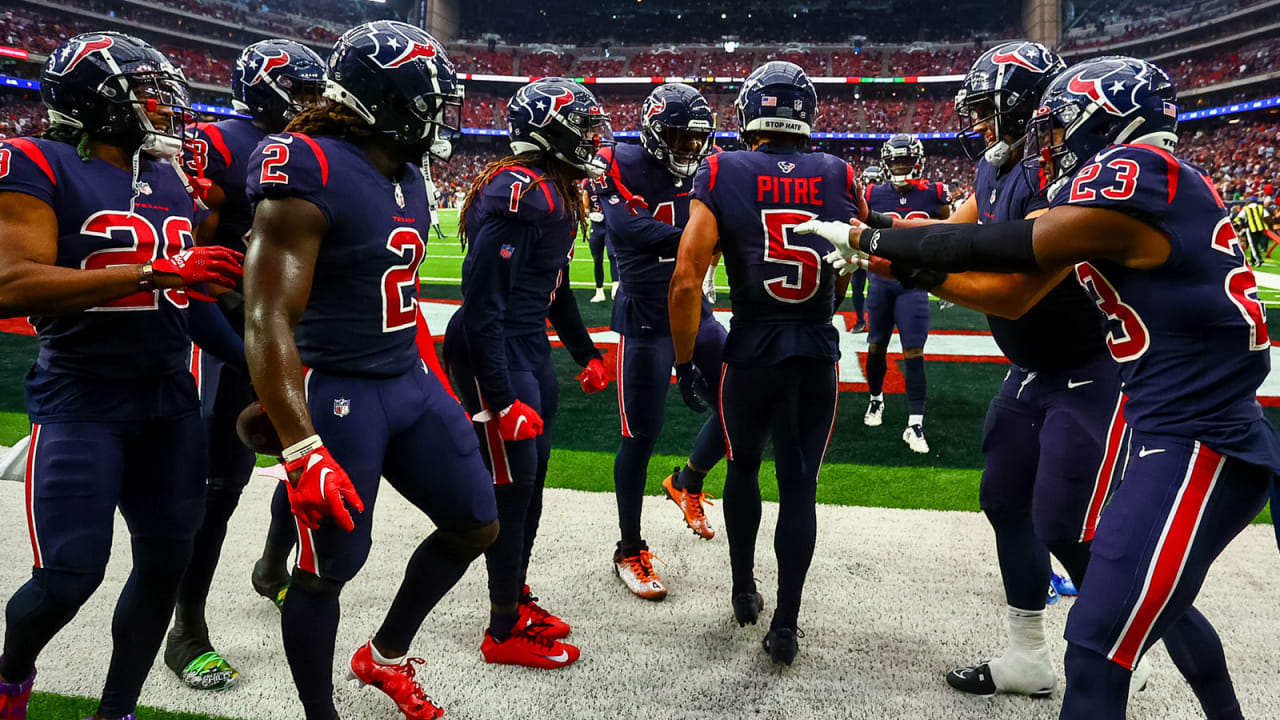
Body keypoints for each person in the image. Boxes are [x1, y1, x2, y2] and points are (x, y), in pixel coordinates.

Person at [803, 55, 1278, 720]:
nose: (1045, 147)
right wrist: (894, 239)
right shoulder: (1124, 178)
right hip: (1159, 410)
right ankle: (1065, 644)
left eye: (1058, 131)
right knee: (1045, 534)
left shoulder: (1135, 172)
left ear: (1103, 122)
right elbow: (963, 230)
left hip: (1173, 418)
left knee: (1098, 617)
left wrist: (879, 245)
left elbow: (1013, 258)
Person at [241, 21, 498, 720]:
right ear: (385, 99)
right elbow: (267, 318)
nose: (441, 118)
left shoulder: (408, 176)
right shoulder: (309, 167)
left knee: (476, 524)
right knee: (327, 573)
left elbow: (401, 299)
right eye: (430, 103)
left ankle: (382, 656)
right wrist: (300, 447)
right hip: (342, 388)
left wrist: (439, 384)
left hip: (406, 380)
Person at [0, 32, 245, 720]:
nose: (162, 106)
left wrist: (246, 352)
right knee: (67, 577)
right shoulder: (31, 160)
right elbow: (10, 283)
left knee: (166, 564)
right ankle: (11, 675)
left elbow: (187, 298)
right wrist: (155, 270)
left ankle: (117, 710)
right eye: (144, 92)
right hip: (82, 393)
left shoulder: (164, 175)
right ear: (93, 99)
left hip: (168, 398)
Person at [881, 41, 1128, 699]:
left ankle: (1140, 654)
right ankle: (1028, 658)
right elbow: (941, 227)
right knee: (1003, 500)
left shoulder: (1062, 172)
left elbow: (1015, 291)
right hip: (1032, 370)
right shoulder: (997, 170)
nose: (980, 125)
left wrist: (910, 267)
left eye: (988, 110)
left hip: (1087, 367)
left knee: (1067, 527)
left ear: (1023, 105)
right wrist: (868, 231)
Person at [668, 60, 864, 666]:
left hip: (749, 349)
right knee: (799, 484)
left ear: (750, 113)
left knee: (744, 468)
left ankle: (742, 589)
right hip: (812, 349)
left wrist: (683, 362)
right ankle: (786, 624)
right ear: (805, 115)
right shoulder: (838, 172)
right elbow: (852, 256)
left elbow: (683, 283)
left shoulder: (723, 168)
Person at [165, 37, 326, 692]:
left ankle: (271, 566)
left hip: (289, 331)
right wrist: (252, 358)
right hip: (229, 332)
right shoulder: (219, 143)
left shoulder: (310, 151)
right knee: (218, 489)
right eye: (305, 93)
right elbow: (194, 280)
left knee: (306, 459)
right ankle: (187, 626)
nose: (315, 106)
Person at [442, 77, 611, 669]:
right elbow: (482, 302)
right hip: (493, 344)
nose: (593, 138)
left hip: (525, 343)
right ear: (551, 131)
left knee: (532, 484)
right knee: (511, 492)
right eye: (583, 127)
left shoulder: (557, 189)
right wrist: (499, 394)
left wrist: (585, 352)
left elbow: (555, 289)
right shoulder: (520, 192)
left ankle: (513, 591)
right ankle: (501, 628)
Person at [589, 83, 724, 601]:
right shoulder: (617, 161)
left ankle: (687, 481)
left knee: (739, 404)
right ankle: (629, 548)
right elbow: (629, 229)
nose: (690, 151)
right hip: (645, 317)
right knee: (640, 435)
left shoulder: (712, 166)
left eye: (696, 141)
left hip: (696, 311)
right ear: (651, 132)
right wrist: (708, 234)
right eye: (678, 139)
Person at [861, 134, 950, 454]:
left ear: (918, 162)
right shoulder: (871, 193)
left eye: (906, 161)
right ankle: (875, 400)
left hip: (914, 283)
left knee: (913, 351)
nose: (901, 167)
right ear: (886, 164)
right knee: (876, 346)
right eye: (896, 162)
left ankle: (915, 422)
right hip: (881, 280)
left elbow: (951, 230)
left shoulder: (934, 194)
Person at [587, 190, 615, 302]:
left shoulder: (611, 184)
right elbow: (584, 207)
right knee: (597, 259)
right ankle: (599, 291)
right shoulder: (588, 185)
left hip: (610, 225)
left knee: (613, 255)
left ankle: (616, 286)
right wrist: (589, 214)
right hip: (596, 226)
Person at [1234, 195, 1270, 264]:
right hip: (1261, 229)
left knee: (1253, 245)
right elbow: (1267, 216)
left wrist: (1233, 222)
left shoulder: (1246, 208)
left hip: (1251, 229)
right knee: (1255, 244)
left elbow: (1239, 217)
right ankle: (1253, 260)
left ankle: (1259, 259)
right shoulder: (1261, 207)